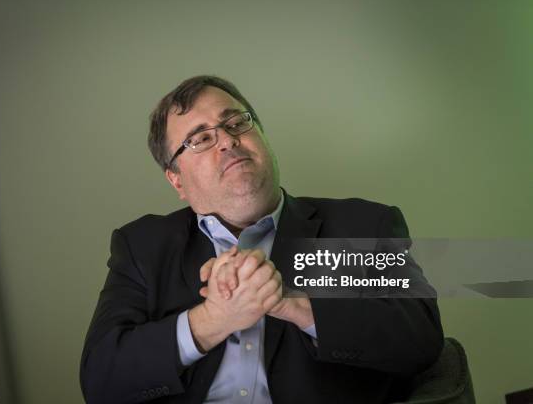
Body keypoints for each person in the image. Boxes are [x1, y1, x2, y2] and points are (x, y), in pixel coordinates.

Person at [80, 75, 444, 404]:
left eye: (236, 122)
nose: (227, 140)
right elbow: (101, 379)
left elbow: (421, 340)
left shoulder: (360, 226)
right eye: (201, 139)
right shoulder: (142, 247)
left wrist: (292, 301)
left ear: (263, 137)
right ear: (176, 180)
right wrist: (213, 319)